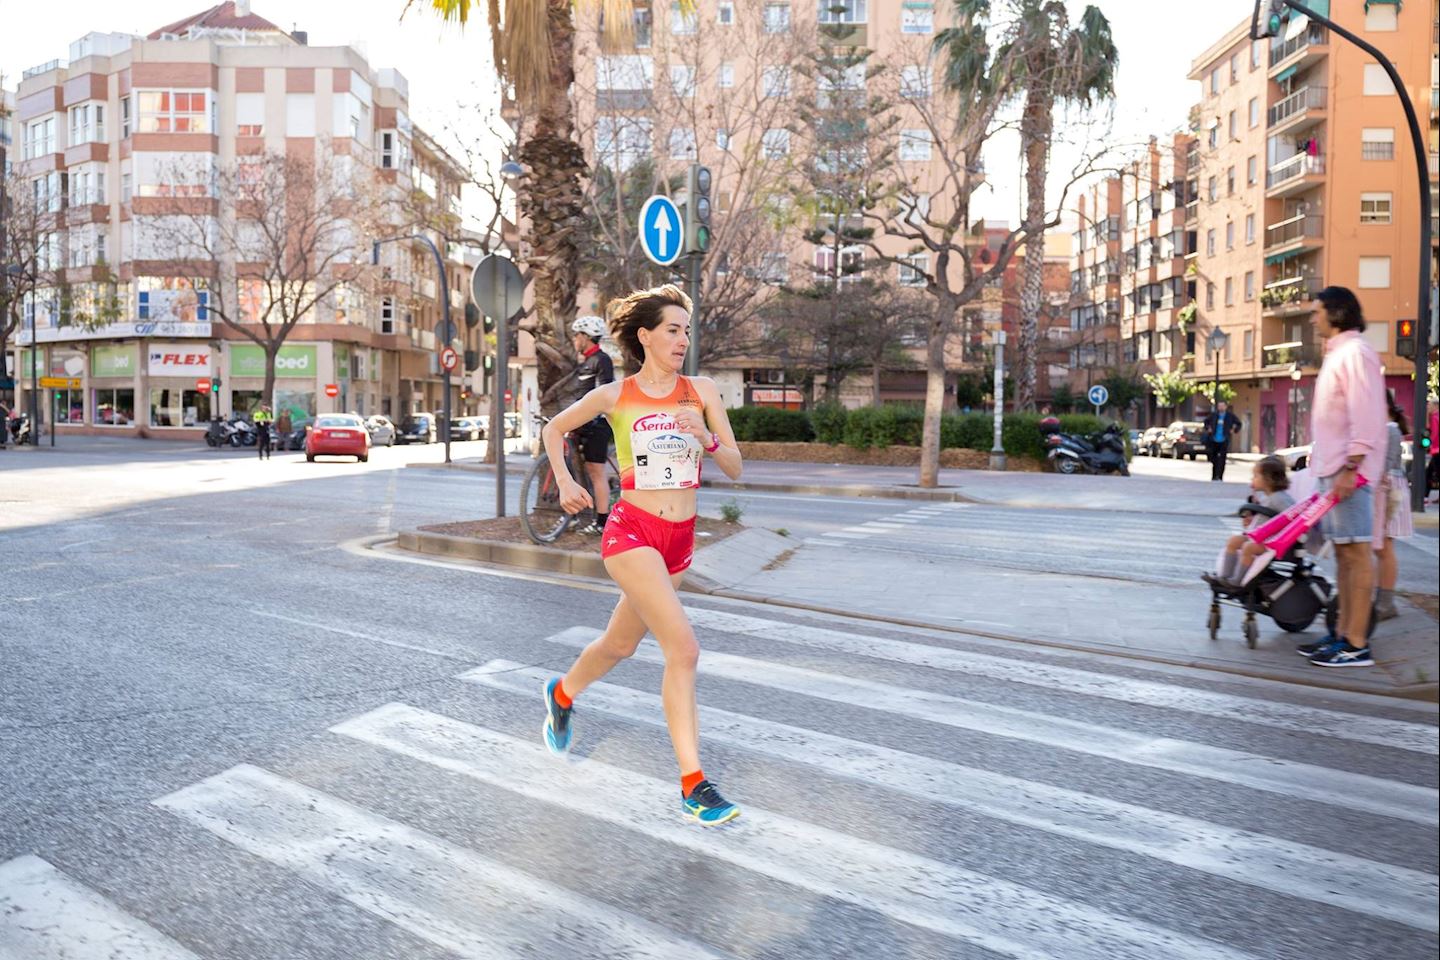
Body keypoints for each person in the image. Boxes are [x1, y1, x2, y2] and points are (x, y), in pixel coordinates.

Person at [539, 284, 744, 826]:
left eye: (686, 330)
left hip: (679, 542)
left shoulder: (702, 391)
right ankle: (694, 784)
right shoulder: (617, 395)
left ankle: (561, 693)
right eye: (673, 330)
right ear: (646, 336)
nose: (682, 339)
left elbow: (738, 468)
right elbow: (555, 427)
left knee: (621, 644)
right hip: (632, 533)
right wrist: (564, 481)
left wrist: (708, 437)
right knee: (684, 649)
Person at [1297, 286, 1386, 668]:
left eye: (1317, 311)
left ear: (1337, 313)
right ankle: (1341, 635)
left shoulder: (1356, 352)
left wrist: (1352, 468)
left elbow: (1366, 416)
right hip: (1334, 469)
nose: (1313, 318)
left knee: (1357, 554)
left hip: (1351, 473)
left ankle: (1356, 643)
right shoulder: (1340, 353)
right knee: (1345, 557)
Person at [558, 315, 617, 534]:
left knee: (596, 472)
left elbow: (605, 394)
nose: (574, 339)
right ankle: (573, 517)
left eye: (576, 335)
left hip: (597, 426)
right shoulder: (585, 362)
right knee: (575, 470)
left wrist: (592, 420)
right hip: (582, 423)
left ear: (585, 336)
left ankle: (602, 522)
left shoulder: (602, 360)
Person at [1206, 455, 1293, 586]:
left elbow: (1291, 517)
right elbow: (1265, 519)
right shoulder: (1269, 497)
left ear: (1268, 479)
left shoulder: (1280, 499)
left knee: (1248, 548)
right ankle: (1224, 577)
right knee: (1234, 541)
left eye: (1255, 476)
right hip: (1261, 537)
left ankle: (1237, 582)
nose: (1252, 480)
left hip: (1273, 542)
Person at [1374, 392, 1413, 620]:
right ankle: (1383, 599)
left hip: (1389, 488)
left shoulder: (1389, 428)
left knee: (1384, 547)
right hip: (1387, 486)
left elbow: (1386, 465)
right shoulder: (1388, 427)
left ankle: (1386, 603)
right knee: (1381, 548)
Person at [1202, 400, 1241, 482]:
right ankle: (1214, 476)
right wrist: (1208, 428)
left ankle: (1220, 476)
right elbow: (1206, 422)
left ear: (1226, 407)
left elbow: (1239, 423)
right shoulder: (1214, 415)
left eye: (1222, 406)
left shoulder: (1230, 416)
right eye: (1219, 406)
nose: (1221, 408)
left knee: (1222, 459)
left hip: (1224, 439)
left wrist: (1234, 430)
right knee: (1214, 458)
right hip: (1214, 439)